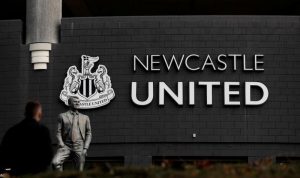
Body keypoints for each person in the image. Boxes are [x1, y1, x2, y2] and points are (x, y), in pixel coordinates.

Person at [0, 101, 53, 176]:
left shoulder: (13, 131)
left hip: (18, 173)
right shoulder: (42, 130)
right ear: (39, 114)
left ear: (26, 113)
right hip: (37, 173)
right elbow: (48, 155)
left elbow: (4, 154)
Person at [52, 96, 92, 171]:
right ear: (69, 103)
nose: (77, 103)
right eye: (75, 102)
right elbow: (58, 131)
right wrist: (60, 142)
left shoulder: (85, 118)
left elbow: (89, 133)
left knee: (79, 171)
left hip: (79, 146)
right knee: (55, 162)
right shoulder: (62, 116)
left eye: (78, 102)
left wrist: (85, 148)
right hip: (65, 146)